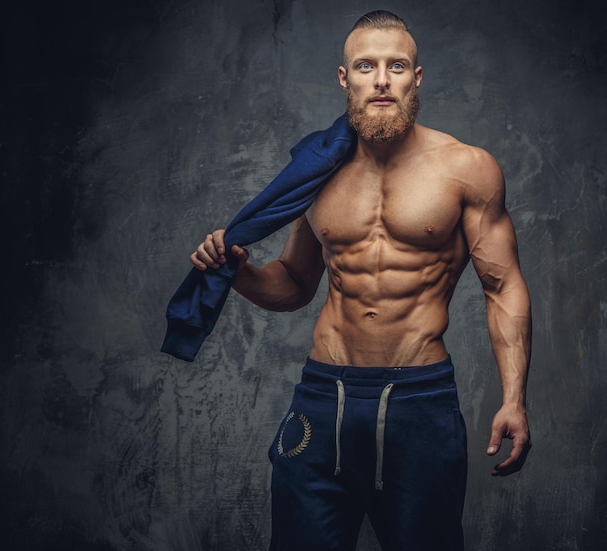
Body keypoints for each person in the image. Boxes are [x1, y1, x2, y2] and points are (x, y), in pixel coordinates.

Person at [189, 10, 532, 551]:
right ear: (344, 78)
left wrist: (514, 398)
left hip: (419, 400)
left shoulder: (467, 168)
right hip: (323, 397)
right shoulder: (317, 169)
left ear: (416, 78)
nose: (381, 79)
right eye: (365, 66)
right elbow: (295, 284)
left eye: (396, 66)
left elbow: (502, 286)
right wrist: (238, 272)